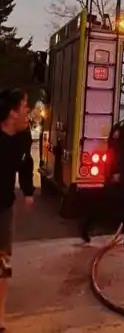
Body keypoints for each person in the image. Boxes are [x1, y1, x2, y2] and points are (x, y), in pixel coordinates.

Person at [80, 108, 124, 245]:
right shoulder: (120, 131)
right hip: (116, 175)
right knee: (106, 203)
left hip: (123, 174)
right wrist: (115, 172)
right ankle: (86, 226)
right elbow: (114, 152)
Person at [0, 89, 35, 331]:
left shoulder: (23, 137)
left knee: (3, 262)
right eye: (24, 106)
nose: (28, 110)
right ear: (12, 112)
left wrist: (28, 190)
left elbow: (25, 163)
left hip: (4, 207)